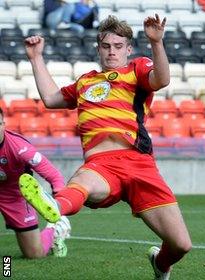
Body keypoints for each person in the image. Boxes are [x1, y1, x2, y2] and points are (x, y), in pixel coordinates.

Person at [22, 15, 192, 279]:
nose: (112, 51)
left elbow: (162, 79)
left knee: (181, 245)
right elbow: (51, 99)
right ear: (98, 48)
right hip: (101, 164)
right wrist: (35, 58)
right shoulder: (85, 82)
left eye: (118, 45)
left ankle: (161, 264)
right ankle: (55, 207)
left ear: (128, 49)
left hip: (139, 164)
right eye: (106, 46)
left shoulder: (137, 69)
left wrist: (156, 42)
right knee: (83, 183)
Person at [0, 108, 71, 259]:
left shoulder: (20, 148)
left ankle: (55, 230)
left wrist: (60, 202)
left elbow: (54, 175)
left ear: (3, 124)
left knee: (34, 254)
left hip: (14, 195)